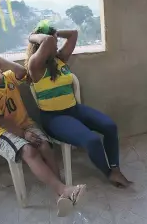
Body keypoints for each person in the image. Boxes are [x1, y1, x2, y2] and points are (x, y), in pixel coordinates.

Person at [0, 54, 86, 217]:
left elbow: (22, 72)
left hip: (26, 124)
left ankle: (61, 195)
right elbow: (0, 120)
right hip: (4, 132)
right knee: (29, 151)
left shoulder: (9, 77)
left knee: (45, 146)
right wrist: (23, 134)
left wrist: (2, 61)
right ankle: (64, 189)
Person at [25, 20, 131, 188]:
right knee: (92, 141)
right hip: (54, 118)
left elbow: (74, 33)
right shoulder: (35, 65)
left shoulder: (60, 59)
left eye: (55, 40)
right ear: (41, 44)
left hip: (74, 110)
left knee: (110, 126)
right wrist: (33, 36)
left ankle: (114, 167)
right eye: (52, 41)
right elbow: (48, 42)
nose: (55, 43)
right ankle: (109, 174)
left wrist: (55, 33)